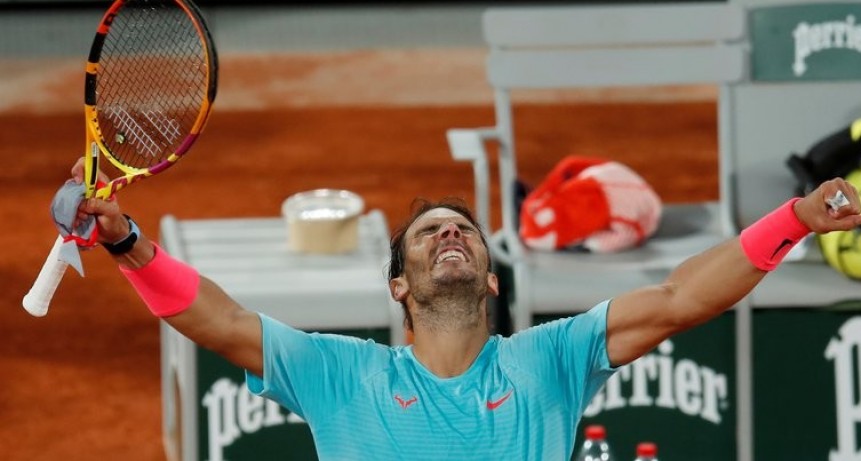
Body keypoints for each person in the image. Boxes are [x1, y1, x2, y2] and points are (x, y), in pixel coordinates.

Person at [71, 158, 861, 460]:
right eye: (427, 233)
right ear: (398, 286)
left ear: (489, 279)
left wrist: (791, 218)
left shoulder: (548, 357)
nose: (450, 232)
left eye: (463, 231)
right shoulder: (342, 373)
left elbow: (680, 296)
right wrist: (127, 241)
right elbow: (219, 320)